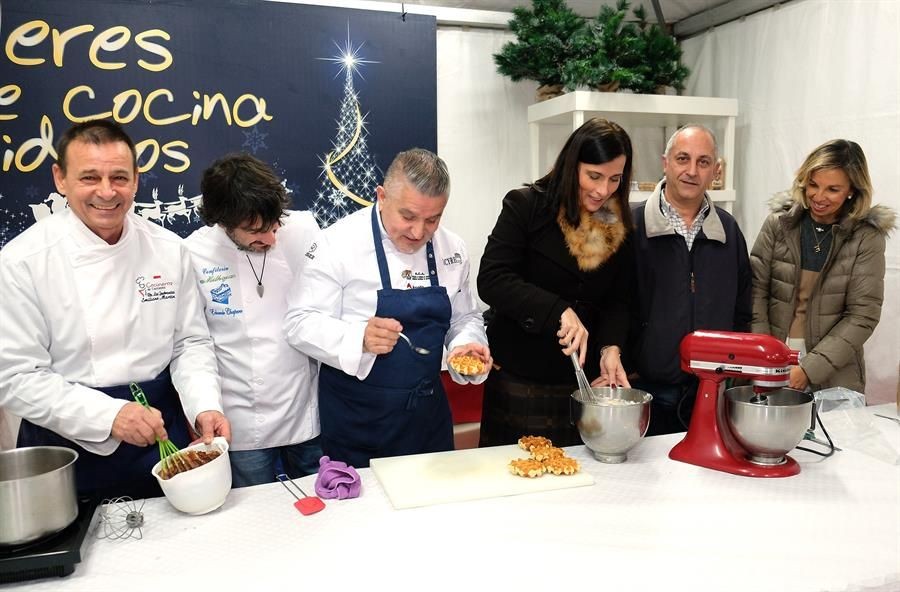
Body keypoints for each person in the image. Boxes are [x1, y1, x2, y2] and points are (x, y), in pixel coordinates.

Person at [0, 120, 230, 500]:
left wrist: (204, 404)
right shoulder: (23, 261)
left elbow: (190, 342)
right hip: (67, 444)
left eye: (119, 177)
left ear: (136, 180)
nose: (106, 192)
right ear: (60, 178)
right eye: (89, 177)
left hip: (160, 428)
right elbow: (16, 377)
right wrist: (108, 416)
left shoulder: (168, 249)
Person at [284, 148, 491, 468]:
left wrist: (467, 347)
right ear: (381, 196)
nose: (419, 232)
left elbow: (464, 316)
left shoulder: (453, 248)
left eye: (433, 219)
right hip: (360, 420)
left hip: (427, 418)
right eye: (407, 216)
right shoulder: (338, 243)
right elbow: (299, 322)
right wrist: (358, 338)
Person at [477, 118, 635, 448]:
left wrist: (610, 348)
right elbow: (492, 279)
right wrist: (557, 310)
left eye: (614, 179)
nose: (602, 190)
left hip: (583, 386)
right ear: (571, 165)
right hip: (520, 380)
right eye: (593, 176)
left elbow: (621, 299)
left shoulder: (618, 224)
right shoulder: (526, 206)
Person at [184, 153, 322, 487]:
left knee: (322, 502)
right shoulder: (192, 254)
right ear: (222, 220)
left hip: (303, 408)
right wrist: (203, 405)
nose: (271, 239)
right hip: (241, 418)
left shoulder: (303, 230)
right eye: (254, 231)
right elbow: (192, 344)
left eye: (274, 226)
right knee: (255, 512)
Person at [631, 124, 752, 436]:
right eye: (683, 159)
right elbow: (612, 304)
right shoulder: (631, 226)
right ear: (665, 162)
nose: (692, 171)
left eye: (703, 162)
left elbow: (742, 307)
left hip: (711, 392)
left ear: (715, 170)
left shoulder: (728, 231)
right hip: (645, 391)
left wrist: (731, 371)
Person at [751, 139, 895, 392]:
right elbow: (755, 292)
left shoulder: (866, 237)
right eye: (813, 184)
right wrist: (766, 354)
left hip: (834, 373)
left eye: (832, 189)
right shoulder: (778, 224)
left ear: (852, 190)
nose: (818, 197)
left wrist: (810, 369)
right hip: (770, 360)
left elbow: (862, 315)